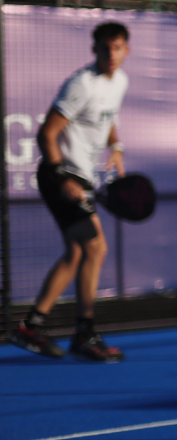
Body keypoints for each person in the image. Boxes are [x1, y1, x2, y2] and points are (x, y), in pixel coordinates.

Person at [12, 21, 131, 362]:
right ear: (94, 50)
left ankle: (31, 327)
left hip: (80, 179)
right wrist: (62, 177)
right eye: (105, 48)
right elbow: (45, 134)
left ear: (127, 50)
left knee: (78, 253)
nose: (111, 54)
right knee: (95, 248)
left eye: (117, 47)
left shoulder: (120, 81)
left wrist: (117, 146)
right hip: (59, 178)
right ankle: (83, 333)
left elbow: (108, 120)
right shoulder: (81, 84)